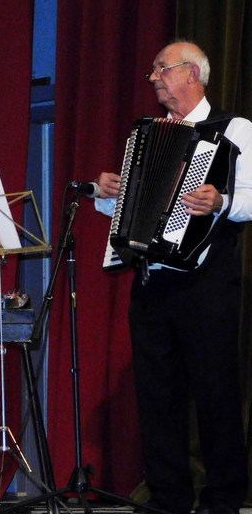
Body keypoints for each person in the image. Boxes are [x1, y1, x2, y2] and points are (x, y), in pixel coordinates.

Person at [94, 41, 251, 514]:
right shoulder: (147, 135)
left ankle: (223, 498)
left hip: (207, 285)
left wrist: (221, 201)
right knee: (156, 395)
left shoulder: (235, 129)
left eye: (161, 69)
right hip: (152, 281)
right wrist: (106, 194)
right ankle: (168, 498)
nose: (154, 78)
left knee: (215, 393)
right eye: (153, 71)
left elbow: (250, 196)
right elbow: (130, 210)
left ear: (192, 73)